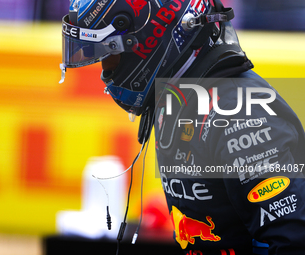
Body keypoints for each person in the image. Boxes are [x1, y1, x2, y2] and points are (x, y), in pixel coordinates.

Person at [59, 0, 305, 254]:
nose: (105, 72)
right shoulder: (178, 101)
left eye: (108, 53)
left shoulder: (239, 114)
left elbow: (293, 242)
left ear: (146, 39)